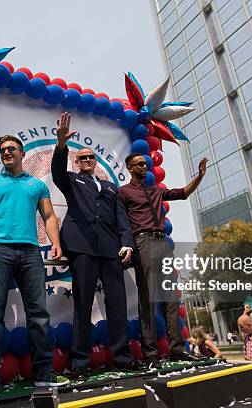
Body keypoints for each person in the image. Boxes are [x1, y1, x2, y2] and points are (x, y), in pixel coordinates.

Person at [0, 135, 69, 400]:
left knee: (38, 313)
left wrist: (56, 242)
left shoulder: (36, 185)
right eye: (2, 150)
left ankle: (45, 372)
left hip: (31, 251)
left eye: (11, 149)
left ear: (22, 153)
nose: (6, 152)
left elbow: (49, 216)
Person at [51, 112, 143, 378]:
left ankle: (122, 357)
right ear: (77, 162)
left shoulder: (111, 187)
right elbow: (57, 171)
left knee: (117, 304)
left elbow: (122, 219)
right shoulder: (71, 180)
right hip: (82, 248)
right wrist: (60, 145)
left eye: (91, 157)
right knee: (82, 304)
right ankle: (79, 362)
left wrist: (127, 243)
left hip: (111, 250)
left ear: (95, 162)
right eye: (83, 158)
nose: (88, 161)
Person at [119, 153, 207, 367]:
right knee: (148, 299)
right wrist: (126, 247)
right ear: (130, 168)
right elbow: (120, 221)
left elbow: (183, 193)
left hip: (161, 243)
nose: (144, 166)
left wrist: (200, 176)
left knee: (170, 298)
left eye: (146, 163)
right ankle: (151, 354)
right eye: (139, 164)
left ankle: (177, 349)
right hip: (143, 242)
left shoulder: (155, 191)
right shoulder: (123, 192)